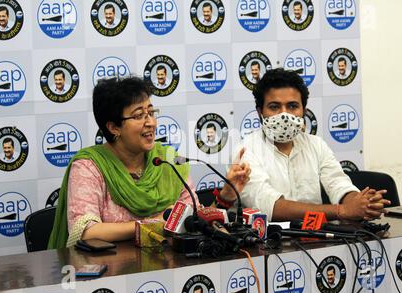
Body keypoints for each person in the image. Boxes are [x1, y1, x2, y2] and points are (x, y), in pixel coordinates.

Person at [47, 76, 250, 249]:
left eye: (151, 113)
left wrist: (225, 198)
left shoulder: (168, 160)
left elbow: (192, 218)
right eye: (138, 115)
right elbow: (87, 232)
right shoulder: (89, 167)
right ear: (113, 127)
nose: (151, 122)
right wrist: (155, 224)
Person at [232, 68, 390, 222]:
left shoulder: (316, 145)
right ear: (260, 112)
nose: (284, 114)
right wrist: (342, 210)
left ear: (304, 111)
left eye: (292, 106)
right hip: (266, 243)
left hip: (317, 239)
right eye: (274, 107)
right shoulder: (246, 150)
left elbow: (338, 184)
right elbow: (270, 207)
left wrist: (361, 202)